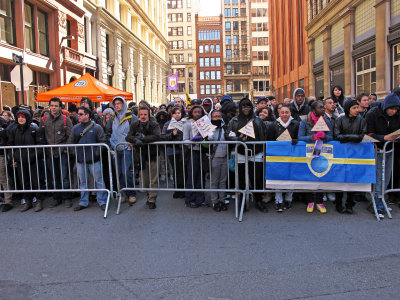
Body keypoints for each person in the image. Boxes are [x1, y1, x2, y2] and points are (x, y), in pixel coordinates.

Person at [226, 97, 268, 212]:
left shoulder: (258, 120)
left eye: (248, 106)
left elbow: (264, 135)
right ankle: (243, 200)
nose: (246, 108)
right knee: (241, 178)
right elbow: (228, 134)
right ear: (240, 107)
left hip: (256, 152)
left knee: (257, 178)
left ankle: (258, 199)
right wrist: (238, 139)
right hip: (241, 152)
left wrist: (260, 148)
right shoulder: (234, 120)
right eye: (243, 106)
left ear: (252, 107)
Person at [365, 93, 400, 219]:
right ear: (386, 106)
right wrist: (384, 138)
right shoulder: (372, 114)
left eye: (396, 109)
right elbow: (368, 133)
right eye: (392, 109)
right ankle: (375, 199)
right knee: (378, 174)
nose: (394, 111)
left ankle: (382, 197)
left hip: (390, 149)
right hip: (376, 149)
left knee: (387, 174)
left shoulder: (397, 115)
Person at [68, 106, 107, 211]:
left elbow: (103, 142)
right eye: (78, 114)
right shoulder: (75, 128)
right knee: (83, 182)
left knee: (99, 181)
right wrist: (75, 153)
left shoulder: (97, 127)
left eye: (80, 114)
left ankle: (102, 201)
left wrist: (96, 154)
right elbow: (70, 143)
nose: (78, 116)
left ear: (87, 115)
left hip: (94, 160)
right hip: (81, 160)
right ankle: (83, 202)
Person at [298, 101, 333, 213]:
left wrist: (325, 137)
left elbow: (332, 136)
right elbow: (300, 137)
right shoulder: (305, 122)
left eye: (323, 107)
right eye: (320, 107)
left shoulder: (327, 121)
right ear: (313, 110)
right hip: (308, 153)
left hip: (323, 152)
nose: (323, 109)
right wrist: (313, 137)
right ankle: (310, 200)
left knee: (320, 173)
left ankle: (319, 201)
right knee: (308, 174)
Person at [333, 99, 367, 214]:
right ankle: (338, 203)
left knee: (352, 178)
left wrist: (347, 137)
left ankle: (350, 204)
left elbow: (362, 135)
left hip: (355, 153)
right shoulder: (339, 119)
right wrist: (354, 137)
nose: (357, 110)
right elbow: (337, 136)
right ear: (348, 109)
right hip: (341, 153)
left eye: (357, 108)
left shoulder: (361, 120)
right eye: (354, 108)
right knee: (340, 178)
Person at [126, 106, 161, 209]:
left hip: (153, 154)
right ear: (138, 115)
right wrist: (135, 139)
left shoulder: (154, 124)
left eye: (145, 114)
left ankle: (152, 199)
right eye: (141, 114)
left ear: (148, 115)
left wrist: (143, 138)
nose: (143, 116)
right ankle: (148, 195)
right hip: (141, 155)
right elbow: (128, 136)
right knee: (144, 179)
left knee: (153, 179)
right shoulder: (134, 124)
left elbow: (157, 136)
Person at [9, 110, 44, 212]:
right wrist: (14, 156)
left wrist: (34, 156)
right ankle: (28, 201)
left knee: (36, 181)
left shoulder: (34, 129)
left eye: (23, 117)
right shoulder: (14, 130)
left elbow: (40, 145)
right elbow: (10, 145)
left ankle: (39, 201)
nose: (21, 119)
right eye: (19, 117)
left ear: (27, 118)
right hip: (20, 160)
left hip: (33, 160)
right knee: (24, 182)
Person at [41, 97, 73, 208]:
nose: (53, 108)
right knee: (54, 176)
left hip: (62, 152)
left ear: (60, 107)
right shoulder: (45, 119)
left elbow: (70, 135)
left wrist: (65, 148)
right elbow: (43, 135)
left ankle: (67, 198)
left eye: (56, 106)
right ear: (49, 106)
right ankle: (56, 197)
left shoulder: (65, 119)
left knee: (64, 176)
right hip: (50, 152)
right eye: (52, 105)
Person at [106, 96, 138, 205]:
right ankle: (122, 193)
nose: (117, 105)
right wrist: (111, 144)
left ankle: (131, 193)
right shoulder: (112, 118)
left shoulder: (131, 117)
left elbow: (136, 133)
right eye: (115, 104)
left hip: (126, 148)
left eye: (119, 103)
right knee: (118, 173)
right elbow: (108, 132)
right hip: (115, 148)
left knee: (126, 172)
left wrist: (131, 144)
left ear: (123, 104)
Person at [270, 105, 299, 212]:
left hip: (292, 155)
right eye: (282, 112)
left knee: (290, 176)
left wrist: (296, 140)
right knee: (278, 177)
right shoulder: (274, 124)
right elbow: (270, 139)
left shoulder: (295, 124)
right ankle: (278, 200)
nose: (284, 114)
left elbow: (298, 137)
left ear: (290, 113)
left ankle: (289, 198)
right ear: (279, 113)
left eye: (287, 112)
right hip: (278, 155)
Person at [183, 105, 206, 208]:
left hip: (203, 151)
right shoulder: (187, 124)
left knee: (201, 176)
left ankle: (200, 198)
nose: (197, 114)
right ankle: (190, 199)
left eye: (199, 112)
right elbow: (185, 140)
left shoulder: (205, 123)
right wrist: (192, 141)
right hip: (192, 151)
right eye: (195, 112)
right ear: (192, 113)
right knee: (192, 176)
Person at [161, 107, 185, 198]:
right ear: (172, 115)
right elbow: (163, 136)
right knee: (175, 169)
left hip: (182, 149)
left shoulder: (184, 123)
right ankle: (177, 189)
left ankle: (182, 189)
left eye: (179, 113)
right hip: (172, 150)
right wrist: (171, 134)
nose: (177, 114)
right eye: (175, 113)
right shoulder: (167, 124)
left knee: (182, 170)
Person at [207, 110, 228, 212]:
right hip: (214, 157)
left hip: (225, 157)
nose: (217, 118)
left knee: (223, 181)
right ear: (211, 118)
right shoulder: (208, 128)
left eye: (219, 116)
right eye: (215, 116)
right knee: (214, 181)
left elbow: (229, 138)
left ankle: (222, 200)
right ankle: (215, 201)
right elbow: (206, 142)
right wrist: (209, 135)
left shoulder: (225, 127)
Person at [0, 117, 13, 212]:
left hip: (1, 156)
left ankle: (8, 200)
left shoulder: (3, 131)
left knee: (4, 178)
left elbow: (5, 142)